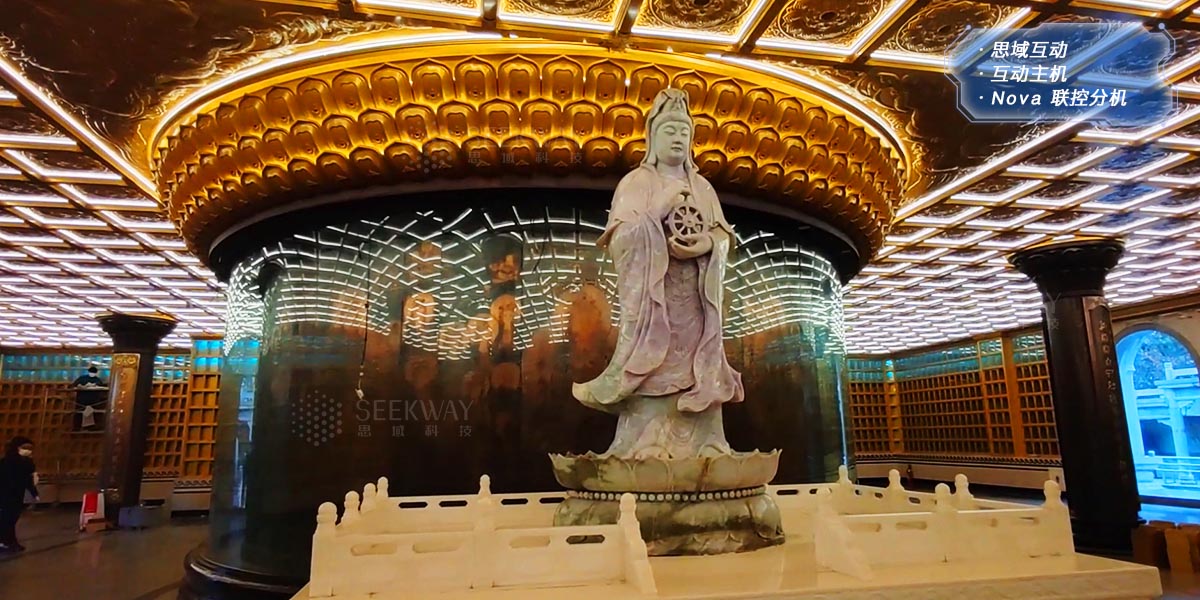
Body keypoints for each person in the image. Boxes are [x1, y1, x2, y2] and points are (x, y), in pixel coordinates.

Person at [571, 88, 744, 459]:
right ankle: (645, 440)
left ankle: (708, 441)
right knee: (653, 364)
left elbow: (723, 237)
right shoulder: (637, 183)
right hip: (656, 303)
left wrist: (708, 245)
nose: (678, 138)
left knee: (699, 366)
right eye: (669, 131)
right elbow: (620, 240)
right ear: (652, 137)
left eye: (684, 131)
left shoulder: (702, 188)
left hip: (696, 304)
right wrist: (655, 215)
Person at [0, 436, 39, 552]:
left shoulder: (26, 462)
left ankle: (7, 540)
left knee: (11, 518)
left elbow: (28, 479)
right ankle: (9, 541)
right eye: (25, 447)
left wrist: (34, 492)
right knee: (8, 518)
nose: (28, 450)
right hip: (6, 494)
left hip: (16, 494)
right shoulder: (8, 462)